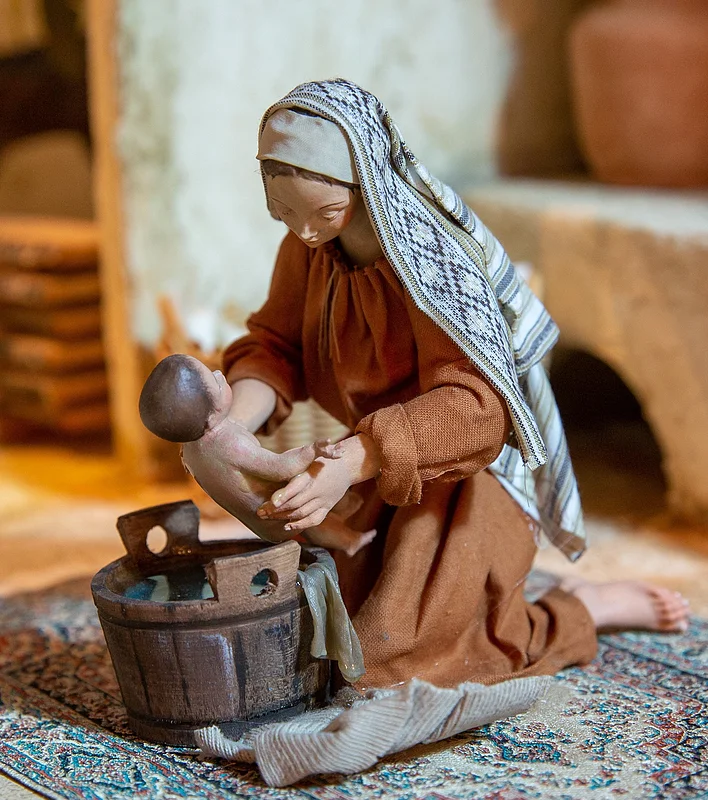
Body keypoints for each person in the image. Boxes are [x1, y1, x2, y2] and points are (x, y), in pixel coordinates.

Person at [221, 80, 689, 690]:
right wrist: (234, 425)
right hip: (376, 470)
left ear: (366, 183)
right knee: (309, 624)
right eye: (284, 213)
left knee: (391, 657)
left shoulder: (430, 262)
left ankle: (579, 610)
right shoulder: (309, 249)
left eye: (325, 214)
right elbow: (275, 346)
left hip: (463, 474)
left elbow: (478, 411)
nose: (306, 232)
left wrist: (354, 458)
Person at [138, 353, 376, 555]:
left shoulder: (189, 451)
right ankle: (346, 520)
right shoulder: (231, 443)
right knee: (313, 483)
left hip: (263, 524)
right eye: (215, 380)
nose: (220, 374)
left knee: (314, 522)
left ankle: (348, 532)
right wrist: (312, 451)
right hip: (281, 508)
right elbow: (280, 467)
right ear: (210, 418)